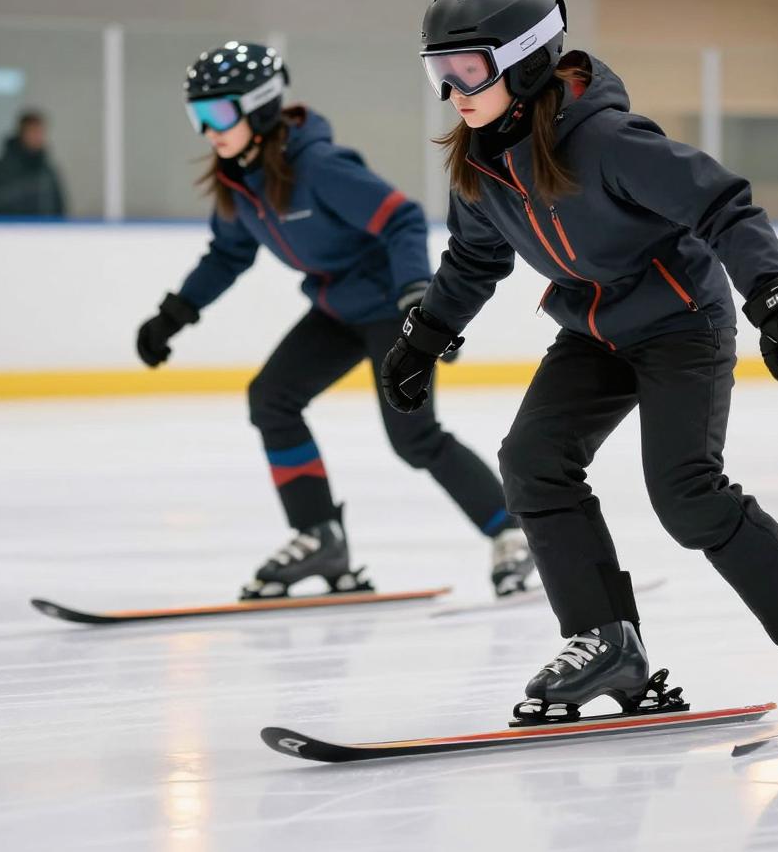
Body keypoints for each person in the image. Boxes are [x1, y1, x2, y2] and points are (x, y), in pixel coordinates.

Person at [382, 0, 778, 723]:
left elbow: (722, 204)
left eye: (468, 70)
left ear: (524, 58)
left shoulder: (608, 141)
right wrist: (423, 338)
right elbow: (476, 259)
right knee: (533, 461)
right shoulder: (482, 162)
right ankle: (606, 639)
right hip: (596, 329)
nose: (452, 92)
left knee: (684, 492)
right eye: (437, 74)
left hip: (681, 322)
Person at [136, 40, 533, 600]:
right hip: (336, 309)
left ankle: (511, 533)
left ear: (261, 104)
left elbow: (401, 220)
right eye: (196, 115)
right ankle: (319, 534)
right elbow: (229, 253)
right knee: (271, 397)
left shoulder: (319, 167)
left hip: (389, 308)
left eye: (218, 113)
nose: (208, 130)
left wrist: (420, 302)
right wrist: (175, 314)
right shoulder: (241, 179)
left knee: (413, 438)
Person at [0, 110, 67, 218]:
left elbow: (59, 205)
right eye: (33, 131)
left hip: (43, 231)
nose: (38, 137)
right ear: (22, 133)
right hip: (9, 230)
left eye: (41, 132)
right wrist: (24, 190)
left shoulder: (46, 169)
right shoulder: (4, 166)